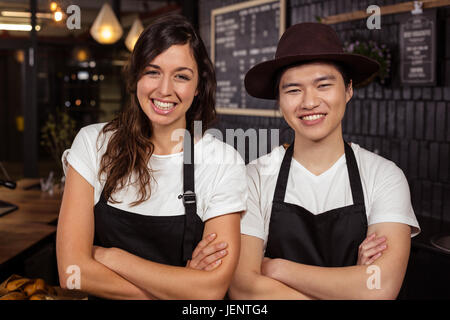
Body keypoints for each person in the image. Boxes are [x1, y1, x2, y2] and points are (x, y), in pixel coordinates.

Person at [56, 14, 247, 300]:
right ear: (135, 78)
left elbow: (210, 291)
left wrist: (111, 257)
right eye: (152, 71)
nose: (165, 89)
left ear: (197, 87)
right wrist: (181, 286)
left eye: (181, 76)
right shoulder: (93, 144)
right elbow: (72, 273)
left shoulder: (223, 162)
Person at [229, 22, 420, 300]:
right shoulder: (253, 178)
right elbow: (244, 289)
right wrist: (351, 284)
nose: (309, 102)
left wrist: (275, 268)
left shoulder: (384, 176)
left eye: (324, 85)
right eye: (293, 90)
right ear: (279, 101)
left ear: (348, 90)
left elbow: (380, 288)